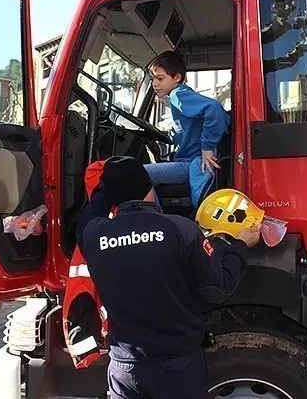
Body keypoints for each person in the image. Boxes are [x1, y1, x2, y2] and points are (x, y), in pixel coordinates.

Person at [78, 156, 262, 398]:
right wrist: (240, 246)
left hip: (125, 369)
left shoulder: (93, 234)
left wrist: (105, 184)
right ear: (149, 188)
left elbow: (92, 210)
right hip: (176, 368)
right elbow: (218, 288)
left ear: (112, 198)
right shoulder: (181, 230)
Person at [145, 50, 231, 208]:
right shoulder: (178, 97)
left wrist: (207, 147)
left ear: (177, 77)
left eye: (160, 78)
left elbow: (214, 108)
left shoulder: (177, 95)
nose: (155, 84)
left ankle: (155, 221)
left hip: (193, 163)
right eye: (152, 79)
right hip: (189, 161)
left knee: (140, 174)